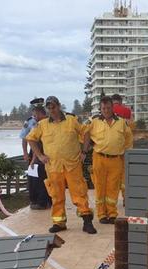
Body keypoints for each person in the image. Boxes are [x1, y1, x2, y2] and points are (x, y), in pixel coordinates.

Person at [27, 96, 96, 234]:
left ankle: (87, 221)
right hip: (53, 167)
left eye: (54, 106)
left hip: (72, 165)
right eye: (49, 107)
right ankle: (59, 223)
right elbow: (31, 139)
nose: (52, 110)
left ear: (59, 106)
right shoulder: (43, 124)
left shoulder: (71, 120)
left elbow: (86, 132)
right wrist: (40, 155)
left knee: (79, 193)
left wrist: (84, 151)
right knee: (56, 196)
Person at [82, 96, 133, 223]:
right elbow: (84, 132)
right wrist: (86, 148)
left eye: (108, 108)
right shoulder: (93, 121)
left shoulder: (121, 122)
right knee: (100, 187)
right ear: (100, 108)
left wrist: (125, 153)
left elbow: (128, 138)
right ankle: (101, 214)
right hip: (99, 158)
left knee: (113, 188)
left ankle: (112, 213)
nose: (106, 110)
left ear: (112, 108)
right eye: (103, 108)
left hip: (116, 160)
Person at [20, 99, 51, 210]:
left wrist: (34, 158)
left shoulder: (48, 122)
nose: (35, 114)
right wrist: (25, 153)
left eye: (37, 112)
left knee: (44, 177)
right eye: (34, 112)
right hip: (36, 152)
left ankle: (44, 201)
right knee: (36, 177)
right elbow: (25, 138)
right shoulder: (30, 122)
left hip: (46, 151)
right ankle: (40, 201)